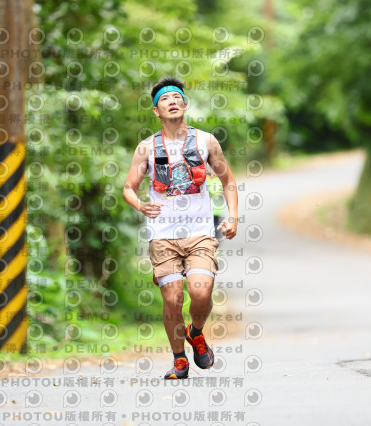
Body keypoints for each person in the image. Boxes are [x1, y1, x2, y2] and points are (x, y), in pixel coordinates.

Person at [122, 76, 239, 379]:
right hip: (163, 236)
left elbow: (228, 180)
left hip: (200, 232)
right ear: (156, 111)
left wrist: (233, 217)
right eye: (164, 98)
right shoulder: (146, 148)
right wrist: (141, 205)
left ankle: (195, 332)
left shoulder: (206, 141)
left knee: (201, 292)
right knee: (172, 299)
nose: (171, 101)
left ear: (185, 105)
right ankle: (179, 360)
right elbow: (129, 188)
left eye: (176, 97)